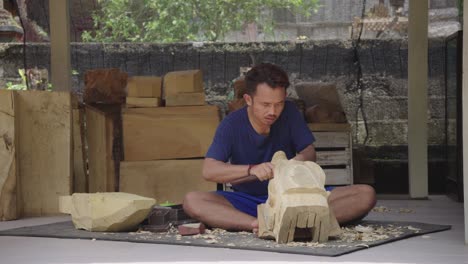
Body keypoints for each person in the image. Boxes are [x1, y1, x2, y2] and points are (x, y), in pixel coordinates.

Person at [183, 62, 376, 233]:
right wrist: (252, 169)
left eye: (279, 104)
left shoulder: (290, 113)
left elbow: (309, 153)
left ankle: (299, 220)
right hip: (249, 201)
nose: (272, 111)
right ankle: (259, 224)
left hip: (297, 198)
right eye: (265, 104)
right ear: (249, 100)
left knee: (365, 194)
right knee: (192, 201)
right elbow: (209, 170)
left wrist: (294, 163)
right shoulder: (231, 124)